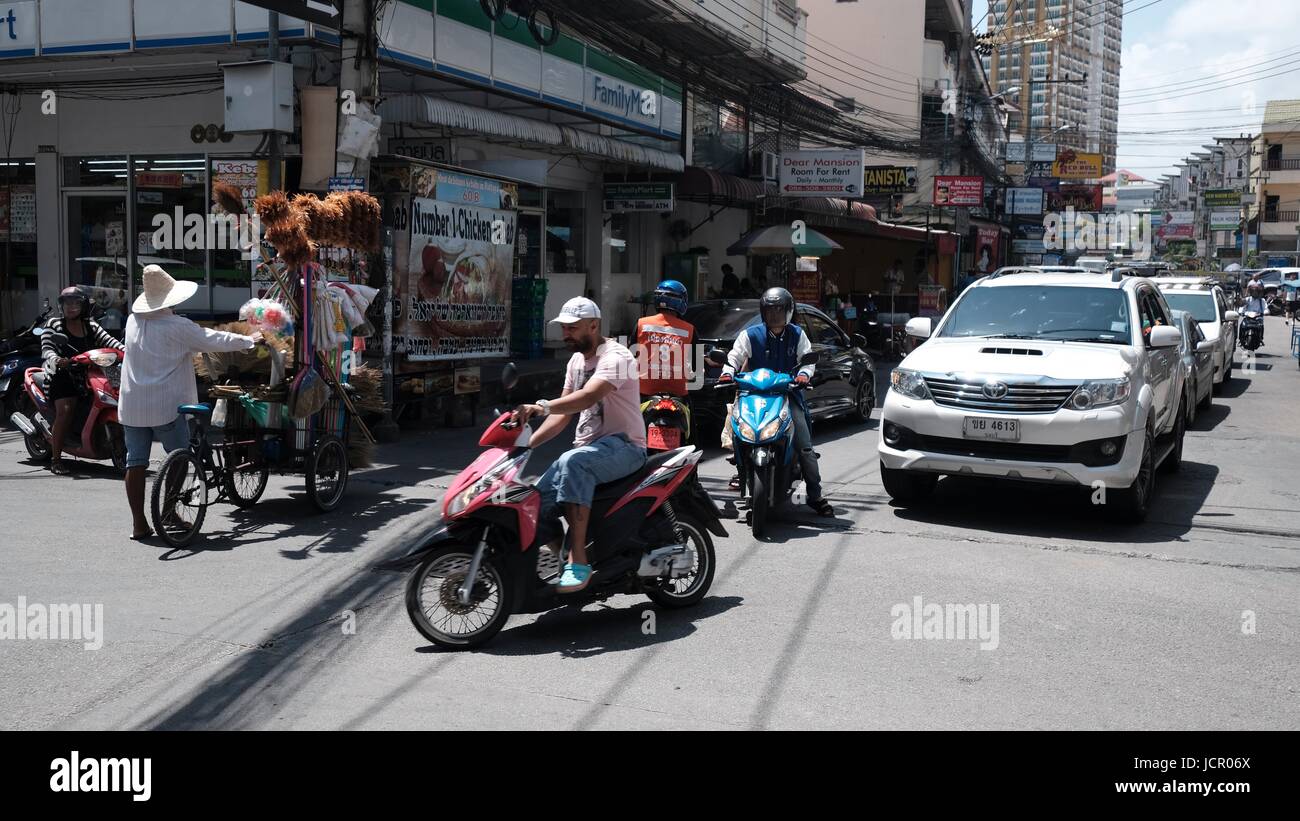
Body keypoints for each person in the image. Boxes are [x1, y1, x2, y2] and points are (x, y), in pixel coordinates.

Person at [512, 297, 647, 592]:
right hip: (588, 450)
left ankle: (579, 562)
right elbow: (564, 414)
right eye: (564, 328)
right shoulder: (576, 361)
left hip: (625, 446)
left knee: (573, 462)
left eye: (572, 328)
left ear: (594, 325)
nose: (565, 335)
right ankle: (563, 555)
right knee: (529, 503)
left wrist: (541, 406)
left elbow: (588, 397)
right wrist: (525, 446)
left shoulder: (617, 356)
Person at [119, 265, 263, 540]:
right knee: (180, 457)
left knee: (134, 462)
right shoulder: (177, 326)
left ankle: (139, 524)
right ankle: (169, 513)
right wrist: (248, 340)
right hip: (166, 406)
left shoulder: (132, 322)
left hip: (133, 404)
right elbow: (212, 339)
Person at [718, 287, 834, 517]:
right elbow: (733, 357)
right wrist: (727, 373)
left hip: (787, 395)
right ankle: (742, 470)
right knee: (737, 436)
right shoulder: (750, 335)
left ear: (789, 312)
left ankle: (815, 494)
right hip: (753, 395)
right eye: (770, 310)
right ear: (763, 311)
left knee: (805, 446)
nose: (774, 315)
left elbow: (807, 361)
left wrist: (804, 375)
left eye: (779, 310)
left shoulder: (797, 334)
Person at [40, 286, 125, 475]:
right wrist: (58, 360)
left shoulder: (91, 326)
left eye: (75, 303)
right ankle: (56, 459)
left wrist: (128, 352)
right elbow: (47, 350)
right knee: (66, 410)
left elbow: (111, 341)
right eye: (66, 303)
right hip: (61, 376)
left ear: (83, 306)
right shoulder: (54, 324)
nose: (70, 307)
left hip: (89, 374)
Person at [636, 279, 696, 439]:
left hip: (645, 391)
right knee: (692, 428)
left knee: (630, 431)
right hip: (678, 391)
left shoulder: (641, 324)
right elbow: (696, 364)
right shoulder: (689, 329)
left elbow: (631, 354)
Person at [1241, 279, 1267, 345]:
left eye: (1256, 292)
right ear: (1251, 292)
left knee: (1261, 326)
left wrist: (1266, 311)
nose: (1254, 293)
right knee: (1242, 325)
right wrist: (1241, 311)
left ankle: (1260, 338)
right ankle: (1240, 338)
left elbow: (1265, 308)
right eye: (1253, 292)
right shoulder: (1248, 299)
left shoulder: (1262, 300)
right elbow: (1242, 306)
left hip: (1258, 318)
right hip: (1248, 317)